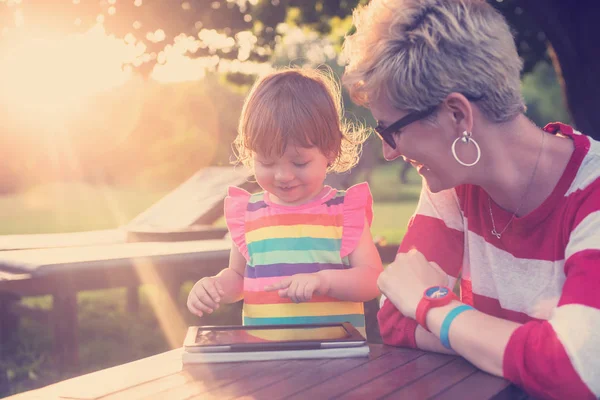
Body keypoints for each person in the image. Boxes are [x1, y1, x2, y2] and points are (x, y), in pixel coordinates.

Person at [342, 0, 599, 399]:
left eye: (391, 130)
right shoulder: (454, 187)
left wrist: (434, 307)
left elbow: (576, 370)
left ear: (458, 116)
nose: (390, 152)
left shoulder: (593, 193)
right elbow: (394, 317)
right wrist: (528, 342)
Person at [187, 68, 383, 338]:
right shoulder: (248, 214)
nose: (283, 176)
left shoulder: (344, 212)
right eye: (266, 162)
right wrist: (215, 286)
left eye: (299, 162)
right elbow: (238, 278)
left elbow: (372, 280)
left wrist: (323, 281)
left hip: (337, 358)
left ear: (330, 150)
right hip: (266, 359)